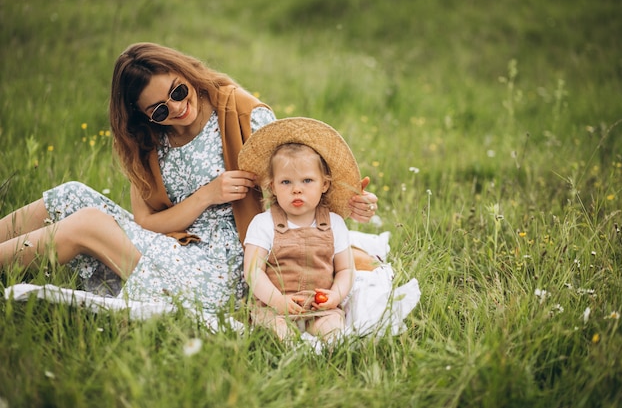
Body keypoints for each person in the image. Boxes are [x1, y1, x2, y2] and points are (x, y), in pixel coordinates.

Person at [0, 42, 379, 319]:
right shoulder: (148, 142)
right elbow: (145, 223)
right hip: (170, 245)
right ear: (144, 115)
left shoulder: (242, 114)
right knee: (71, 195)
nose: (178, 108)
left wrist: (349, 203)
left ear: (187, 73)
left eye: (178, 91)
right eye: (161, 109)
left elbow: (298, 182)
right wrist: (207, 195)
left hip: (224, 265)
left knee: (88, 223)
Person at [239, 118, 361, 340]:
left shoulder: (334, 224)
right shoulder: (263, 223)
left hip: (320, 308)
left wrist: (336, 294)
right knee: (278, 333)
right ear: (272, 187)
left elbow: (345, 269)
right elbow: (252, 271)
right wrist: (277, 301)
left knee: (333, 329)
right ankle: (291, 350)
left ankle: (326, 353)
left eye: (307, 180)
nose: (297, 190)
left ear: (324, 184)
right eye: (286, 182)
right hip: (274, 306)